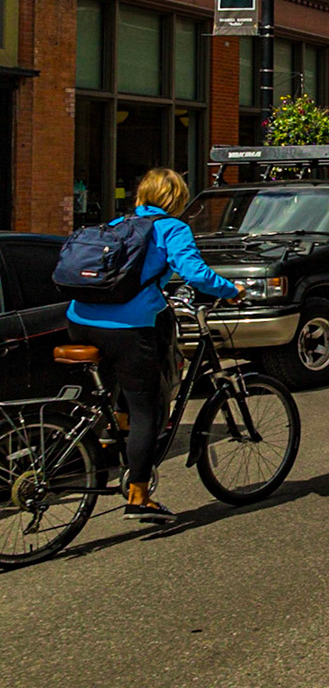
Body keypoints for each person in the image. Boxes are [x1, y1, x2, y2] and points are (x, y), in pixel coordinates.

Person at [66, 169, 238, 522]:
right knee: (148, 411)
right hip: (125, 327)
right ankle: (139, 497)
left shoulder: (116, 223)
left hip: (79, 321)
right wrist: (231, 290)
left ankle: (115, 441)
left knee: (129, 394)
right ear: (176, 200)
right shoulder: (171, 228)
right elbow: (195, 273)